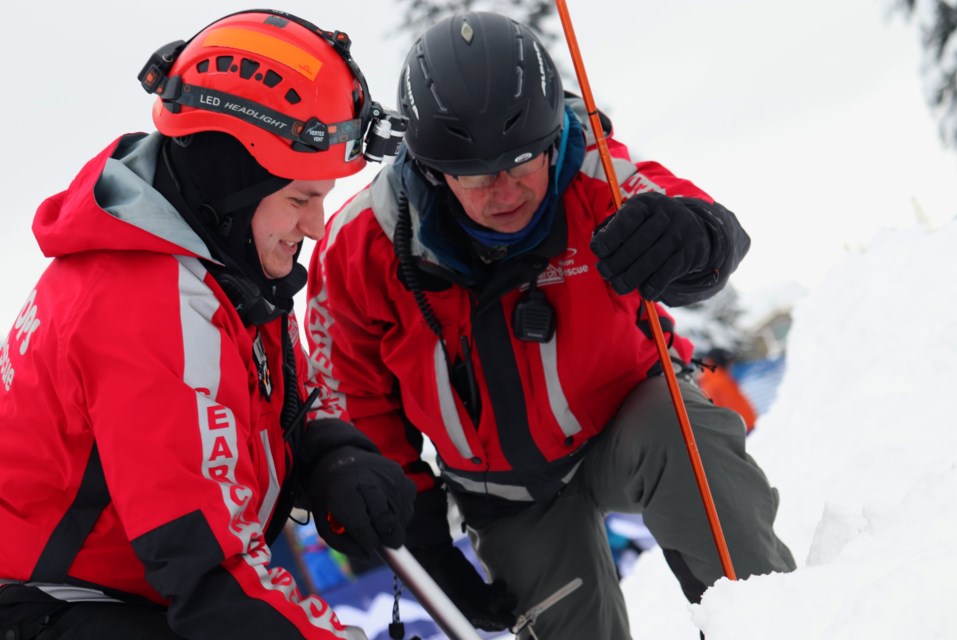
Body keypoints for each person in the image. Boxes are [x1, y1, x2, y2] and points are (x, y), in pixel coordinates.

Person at [306, 11, 796, 639]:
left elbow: (701, 222)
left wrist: (693, 238)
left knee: (687, 431)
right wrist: (422, 537)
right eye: (474, 174)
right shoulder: (360, 246)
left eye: (522, 161)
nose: (503, 189)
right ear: (430, 167)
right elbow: (355, 405)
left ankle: (773, 625)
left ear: (551, 136)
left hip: (632, 425)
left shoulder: (596, 173)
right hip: (504, 492)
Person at [0, 10, 415, 640]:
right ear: (234, 181)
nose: (316, 227)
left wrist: (329, 453)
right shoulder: (144, 308)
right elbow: (211, 570)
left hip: (128, 590)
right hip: (48, 603)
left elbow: (278, 395)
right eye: (301, 199)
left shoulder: (220, 265)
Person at [698, 348, 758, 434]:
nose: (731, 365)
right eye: (729, 362)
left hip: (741, 429)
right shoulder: (717, 381)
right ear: (721, 361)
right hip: (741, 430)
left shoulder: (714, 377)